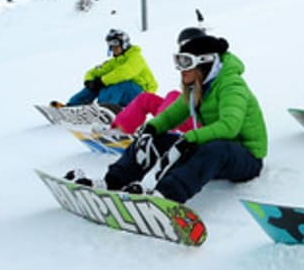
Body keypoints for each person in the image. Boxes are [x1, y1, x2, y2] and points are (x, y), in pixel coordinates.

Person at [71, 32, 268, 204]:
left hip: (246, 158)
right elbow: (172, 115)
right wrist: (151, 129)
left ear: (206, 63)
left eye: (186, 63)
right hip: (216, 149)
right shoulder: (199, 88)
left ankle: (166, 196)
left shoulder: (231, 86)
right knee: (156, 138)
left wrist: (191, 138)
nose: (180, 69)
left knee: (212, 148)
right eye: (178, 61)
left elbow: (229, 127)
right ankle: (112, 181)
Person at [109, 26, 206, 134]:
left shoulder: (209, 66)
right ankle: (119, 131)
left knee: (173, 95)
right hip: (184, 116)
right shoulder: (189, 65)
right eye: (182, 46)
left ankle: (156, 134)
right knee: (145, 99)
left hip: (200, 125)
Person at [53, 29, 157, 109]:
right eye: (110, 45)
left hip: (143, 96)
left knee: (119, 83)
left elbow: (124, 73)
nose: (113, 48)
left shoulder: (136, 57)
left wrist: (102, 81)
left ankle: (105, 109)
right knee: (96, 85)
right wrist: (89, 81)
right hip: (126, 97)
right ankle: (73, 106)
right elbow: (94, 71)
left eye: (115, 44)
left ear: (124, 43)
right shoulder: (114, 62)